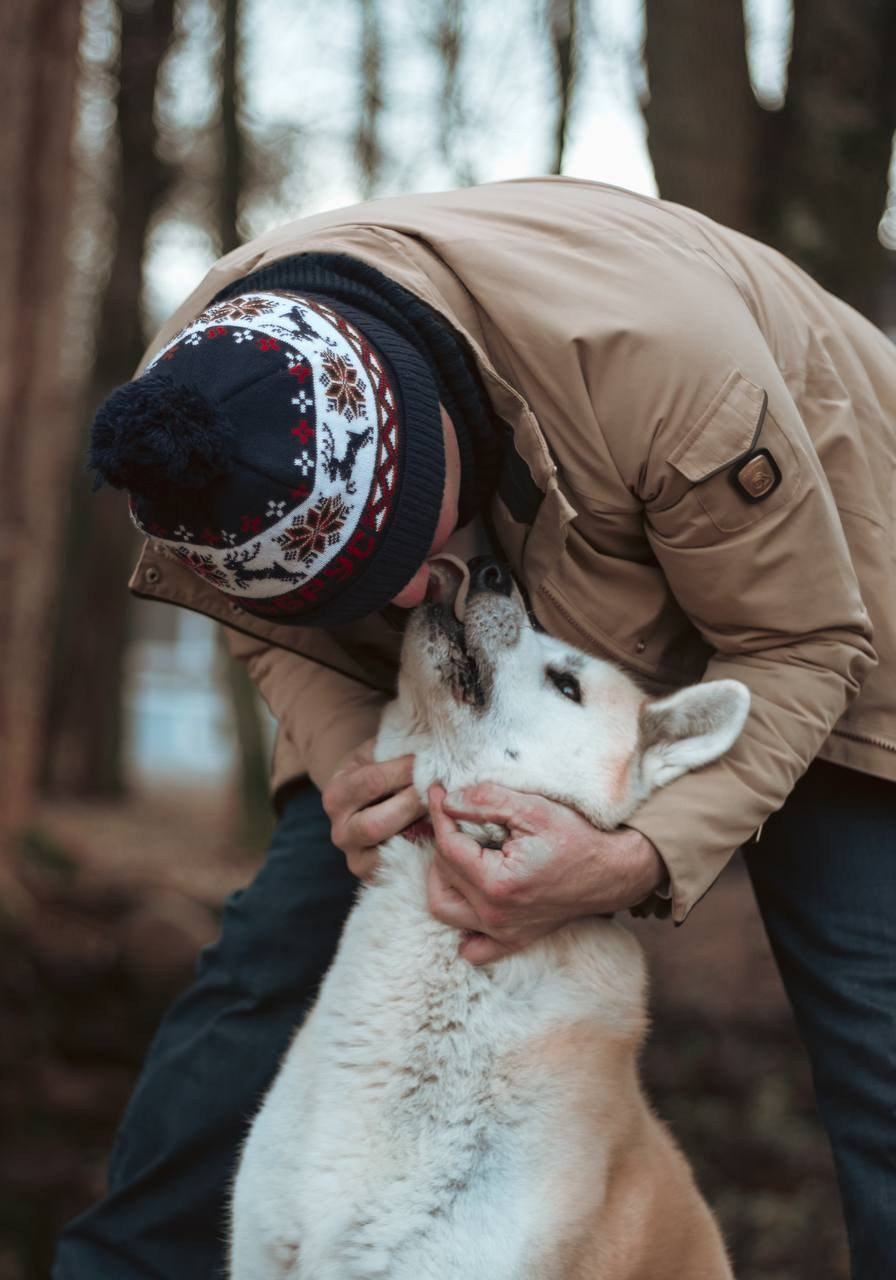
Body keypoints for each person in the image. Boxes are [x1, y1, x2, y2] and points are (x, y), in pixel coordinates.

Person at [54, 177, 895, 1279]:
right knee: (270, 960)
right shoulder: (188, 415)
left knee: (874, 1023)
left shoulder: (662, 367)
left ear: (421, 410)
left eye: (405, 549)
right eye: (355, 587)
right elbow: (256, 625)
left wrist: (639, 851)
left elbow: (800, 649)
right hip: (494, 657)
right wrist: (364, 754)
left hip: (828, 605)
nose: (407, 600)